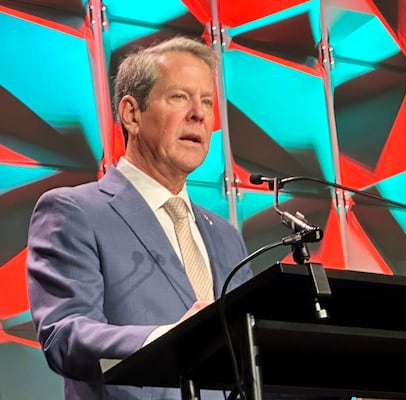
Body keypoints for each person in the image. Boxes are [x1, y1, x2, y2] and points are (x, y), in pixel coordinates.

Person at [26, 36, 253, 400]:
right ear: (131, 113)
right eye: (180, 97)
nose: (199, 113)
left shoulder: (227, 236)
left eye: (207, 101)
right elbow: (63, 334)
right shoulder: (74, 211)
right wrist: (162, 340)